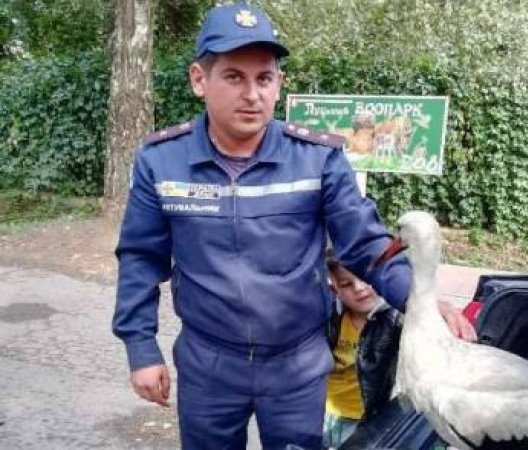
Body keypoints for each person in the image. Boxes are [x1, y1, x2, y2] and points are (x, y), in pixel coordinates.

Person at [112, 3, 413, 450]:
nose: (252, 94)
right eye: (234, 77)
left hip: (297, 368)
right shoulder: (162, 162)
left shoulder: (317, 159)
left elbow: (366, 243)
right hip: (208, 367)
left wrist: (422, 300)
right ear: (199, 79)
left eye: (264, 78)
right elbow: (140, 258)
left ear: (278, 84)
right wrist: (141, 349)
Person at [323, 255, 477, 448]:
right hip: (325, 413)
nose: (360, 288)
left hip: (371, 420)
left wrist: (434, 310)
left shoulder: (399, 320)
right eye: (346, 284)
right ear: (335, 288)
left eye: (367, 279)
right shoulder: (329, 316)